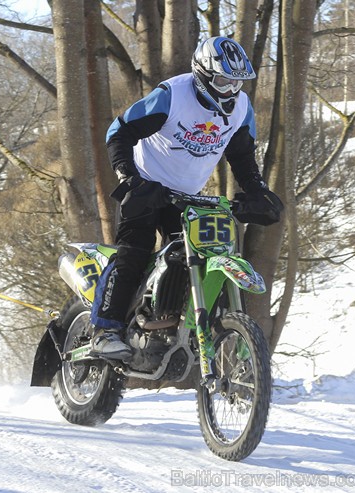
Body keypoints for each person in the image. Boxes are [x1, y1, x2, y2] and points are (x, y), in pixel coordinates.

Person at [91, 36, 284, 360]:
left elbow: (243, 159)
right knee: (134, 252)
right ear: (203, 73)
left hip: (187, 196)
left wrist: (258, 192)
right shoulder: (173, 95)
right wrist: (129, 177)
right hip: (146, 184)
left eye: (237, 81)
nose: (231, 89)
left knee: (189, 257)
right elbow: (119, 131)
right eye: (223, 80)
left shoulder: (241, 109)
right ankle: (105, 329)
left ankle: (166, 328)